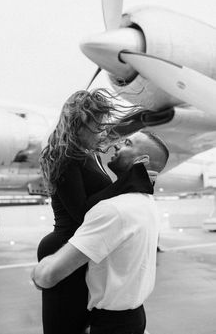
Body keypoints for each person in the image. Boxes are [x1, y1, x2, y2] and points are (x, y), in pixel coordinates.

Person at [32, 131, 169, 334]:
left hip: (111, 324)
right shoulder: (146, 204)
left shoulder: (112, 210)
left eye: (127, 143)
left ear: (142, 160)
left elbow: (51, 275)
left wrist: (38, 272)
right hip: (134, 318)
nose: (116, 145)